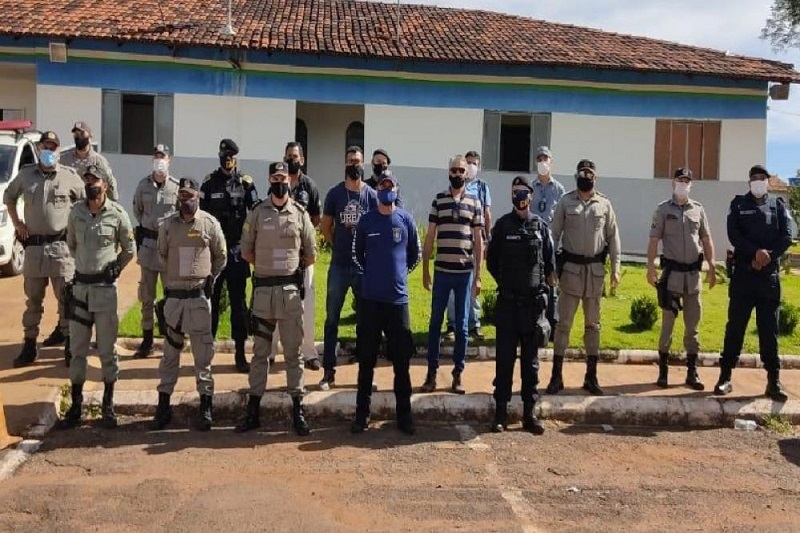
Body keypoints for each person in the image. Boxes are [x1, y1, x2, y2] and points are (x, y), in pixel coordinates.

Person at [235, 161, 317, 434]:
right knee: (260, 354)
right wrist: (267, 267)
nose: (280, 183)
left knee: (294, 353)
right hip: (263, 294)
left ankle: (298, 410)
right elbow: (246, 251)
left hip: (290, 294)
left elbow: (311, 253)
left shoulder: (300, 214)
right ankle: (253, 411)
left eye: (283, 178)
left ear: (289, 181)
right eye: (275, 179)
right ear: (269, 181)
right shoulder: (257, 213)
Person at [58, 164, 134, 429]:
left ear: (105, 185)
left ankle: (108, 405)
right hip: (80, 290)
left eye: (95, 180)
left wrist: (116, 267)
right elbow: (71, 245)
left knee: (106, 350)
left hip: (104, 292)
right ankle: (76, 406)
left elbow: (129, 248)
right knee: (77, 350)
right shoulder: (76, 213)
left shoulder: (117, 214)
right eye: (88, 180)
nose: (91, 184)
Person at [3, 131, 85, 368]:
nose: (49, 151)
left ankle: (69, 346)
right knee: (33, 301)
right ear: (39, 149)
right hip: (34, 249)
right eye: (45, 147)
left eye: (53, 147)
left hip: (61, 249)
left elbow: (85, 202)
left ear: (59, 151)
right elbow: (9, 197)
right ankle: (29, 346)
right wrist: (17, 224)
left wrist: (77, 229)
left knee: (67, 300)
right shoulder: (26, 175)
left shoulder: (69, 177)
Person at [152, 178, 227, 431]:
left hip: (198, 299)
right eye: (182, 196)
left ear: (198, 197)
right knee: (169, 356)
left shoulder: (209, 224)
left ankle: (205, 406)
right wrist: (175, 278)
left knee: (203, 356)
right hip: (174, 299)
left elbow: (221, 256)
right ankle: (163, 405)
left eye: (190, 195)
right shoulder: (168, 226)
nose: (185, 200)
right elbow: (161, 254)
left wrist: (209, 279)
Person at [714, 165, 792, 402]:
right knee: (735, 328)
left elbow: (787, 236)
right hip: (744, 277)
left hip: (768, 280)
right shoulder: (738, 204)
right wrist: (755, 252)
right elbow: (734, 234)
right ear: (749, 182)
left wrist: (768, 255)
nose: (758, 181)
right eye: (754, 178)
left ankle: (773, 381)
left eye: (762, 178)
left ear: (768, 181)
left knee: (769, 331)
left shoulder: (778, 205)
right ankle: (725, 377)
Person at [350, 172, 420, 435]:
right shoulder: (366, 221)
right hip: (370, 302)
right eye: (382, 186)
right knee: (366, 360)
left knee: (402, 362)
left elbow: (414, 256)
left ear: (396, 190)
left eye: (390, 186)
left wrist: (398, 276)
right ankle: (362, 415)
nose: (386, 190)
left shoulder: (406, 220)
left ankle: (405, 416)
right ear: (377, 189)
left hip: (397, 303)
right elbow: (357, 256)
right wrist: (372, 276)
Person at [545, 159, 620, 396]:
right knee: (563, 325)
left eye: (589, 174)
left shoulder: (604, 204)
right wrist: (550, 267)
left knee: (593, 326)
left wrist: (616, 268)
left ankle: (591, 376)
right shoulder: (565, 201)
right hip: (571, 273)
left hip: (594, 273)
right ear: (576, 176)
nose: (585, 177)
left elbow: (613, 237)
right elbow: (553, 235)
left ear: (595, 178)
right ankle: (556, 376)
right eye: (582, 173)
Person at [487, 176, 556, 434]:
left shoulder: (541, 227)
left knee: (531, 364)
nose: (520, 196)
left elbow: (550, 267)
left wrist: (548, 307)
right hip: (508, 305)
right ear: (511, 195)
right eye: (515, 192)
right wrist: (507, 283)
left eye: (524, 192)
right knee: (504, 362)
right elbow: (492, 262)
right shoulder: (502, 226)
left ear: (531, 195)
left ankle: (529, 414)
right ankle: (500, 414)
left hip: (531, 308)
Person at [646, 167, 716, 390]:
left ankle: (692, 372)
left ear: (691, 184)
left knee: (692, 327)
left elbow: (706, 238)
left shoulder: (698, 210)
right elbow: (654, 240)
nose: (683, 184)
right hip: (672, 277)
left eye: (687, 181)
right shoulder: (662, 210)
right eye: (680, 180)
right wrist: (650, 268)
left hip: (693, 277)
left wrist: (712, 265)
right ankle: (663, 371)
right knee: (667, 325)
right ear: (673, 182)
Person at [420, 155, 484, 394]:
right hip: (442, 273)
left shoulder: (475, 202)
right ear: (448, 173)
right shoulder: (439, 201)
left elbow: (478, 240)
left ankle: (458, 374)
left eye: (461, 170)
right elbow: (430, 236)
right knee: (435, 323)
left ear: (466, 173)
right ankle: (431, 373)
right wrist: (425, 270)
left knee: (462, 327)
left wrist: (479, 275)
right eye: (453, 170)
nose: (457, 174)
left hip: (464, 274)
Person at [319, 145, 378, 390]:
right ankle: (328, 373)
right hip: (339, 267)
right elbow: (325, 226)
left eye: (358, 161)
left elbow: (377, 227)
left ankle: (365, 376)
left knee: (366, 322)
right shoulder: (335, 194)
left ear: (363, 164)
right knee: (331, 319)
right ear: (345, 164)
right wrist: (338, 245)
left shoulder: (371, 195)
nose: (354, 164)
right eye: (351, 160)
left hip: (363, 268)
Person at [200, 138, 259, 373]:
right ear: (219, 157)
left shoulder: (245, 183)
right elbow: (200, 218)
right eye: (224, 156)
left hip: (236, 252)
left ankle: (240, 354)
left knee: (238, 305)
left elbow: (255, 213)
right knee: (211, 303)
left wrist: (250, 245)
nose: (228, 160)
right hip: (214, 254)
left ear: (236, 158)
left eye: (231, 157)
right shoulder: (208, 183)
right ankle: (206, 354)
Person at [270, 141, 323, 371]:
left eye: (295, 156)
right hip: (278, 255)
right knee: (274, 303)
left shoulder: (309, 186)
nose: (292, 160)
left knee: (305, 305)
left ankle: (308, 352)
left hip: (302, 256)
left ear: (302, 159)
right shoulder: (278, 182)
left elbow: (316, 218)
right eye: (288, 156)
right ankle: (270, 352)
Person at [132, 144, 179, 358]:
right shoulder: (143, 186)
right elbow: (138, 211)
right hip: (148, 246)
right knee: (147, 296)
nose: (159, 160)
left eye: (163, 156)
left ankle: (171, 338)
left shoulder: (176, 187)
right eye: (156, 156)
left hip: (168, 249)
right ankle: (147, 340)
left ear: (169, 160)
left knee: (171, 295)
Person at [445, 150, 491, 341]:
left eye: (474, 163)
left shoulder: (482, 187)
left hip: (475, 242)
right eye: (468, 163)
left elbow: (487, 214)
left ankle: (474, 324)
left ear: (478, 166)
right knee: (452, 287)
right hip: (458, 243)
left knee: (474, 284)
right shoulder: (455, 186)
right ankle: (452, 324)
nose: (471, 166)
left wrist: (487, 237)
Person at [60, 121, 118, 201]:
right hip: (70, 204)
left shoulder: (99, 161)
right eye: (76, 134)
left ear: (90, 137)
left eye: (82, 133)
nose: (79, 137)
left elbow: (110, 183)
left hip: (90, 204)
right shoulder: (64, 160)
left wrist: (111, 202)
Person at [531, 146, 566, 225]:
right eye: (540, 160)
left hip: (551, 231)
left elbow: (563, 214)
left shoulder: (559, 189)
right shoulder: (530, 187)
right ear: (536, 163)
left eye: (545, 159)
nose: (542, 162)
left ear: (551, 162)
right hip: (533, 230)